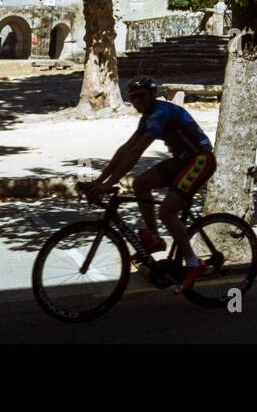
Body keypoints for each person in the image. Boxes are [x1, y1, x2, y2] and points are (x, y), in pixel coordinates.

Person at [82, 77, 215, 293]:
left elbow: (136, 153)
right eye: (133, 99)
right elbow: (126, 149)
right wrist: (99, 181)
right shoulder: (147, 117)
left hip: (200, 160)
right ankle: (154, 238)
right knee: (140, 184)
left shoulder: (161, 113)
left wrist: (109, 185)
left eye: (141, 96)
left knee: (167, 211)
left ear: (153, 95)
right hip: (182, 160)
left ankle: (193, 263)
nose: (137, 102)